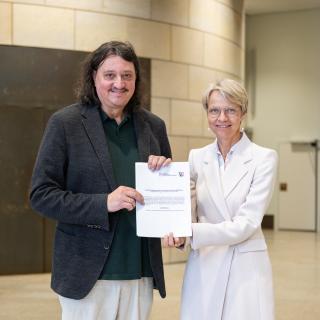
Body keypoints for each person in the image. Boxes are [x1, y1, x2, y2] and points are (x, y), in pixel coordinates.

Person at [29, 41, 171, 320]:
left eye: (127, 75)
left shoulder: (153, 126)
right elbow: (41, 195)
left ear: (136, 80)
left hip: (139, 271)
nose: (119, 83)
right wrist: (104, 203)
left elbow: (164, 199)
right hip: (87, 274)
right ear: (93, 77)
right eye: (110, 75)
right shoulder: (65, 123)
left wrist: (165, 174)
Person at [179, 79, 277, 320]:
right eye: (214, 110)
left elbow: (248, 223)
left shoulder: (263, 159)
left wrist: (191, 232)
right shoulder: (196, 157)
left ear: (242, 113)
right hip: (204, 265)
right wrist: (176, 229)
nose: (222, 117)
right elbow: (185, 213)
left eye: (230, 110)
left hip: (244, 268)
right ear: (207, 114)